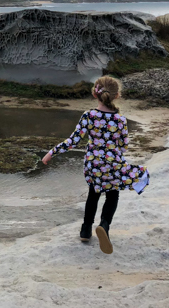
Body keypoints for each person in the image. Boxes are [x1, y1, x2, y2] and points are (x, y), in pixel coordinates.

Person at [41, 76, 149, 255]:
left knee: (93, 194)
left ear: (94, 94)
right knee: (113, 195)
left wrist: (51, 152)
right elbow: (123, 146)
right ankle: (104, 226)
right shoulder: (120, 120)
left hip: (93, 165)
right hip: (112, 165)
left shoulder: (89, 116)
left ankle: (85, 230)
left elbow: (73, 141)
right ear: (117, 96)